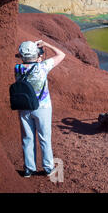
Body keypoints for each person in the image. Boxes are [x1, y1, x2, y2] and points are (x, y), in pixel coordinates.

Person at [16, 40, 65, 177]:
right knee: (44, 138)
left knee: (27, 138)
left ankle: (28, 169)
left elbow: (22, 58)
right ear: (37, 55)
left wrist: (31, 54)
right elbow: (61, 55)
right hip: (42, 108)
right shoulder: (42, 67)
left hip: (24, 107)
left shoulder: (18, 69)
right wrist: (46, 44)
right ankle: (48, 168)